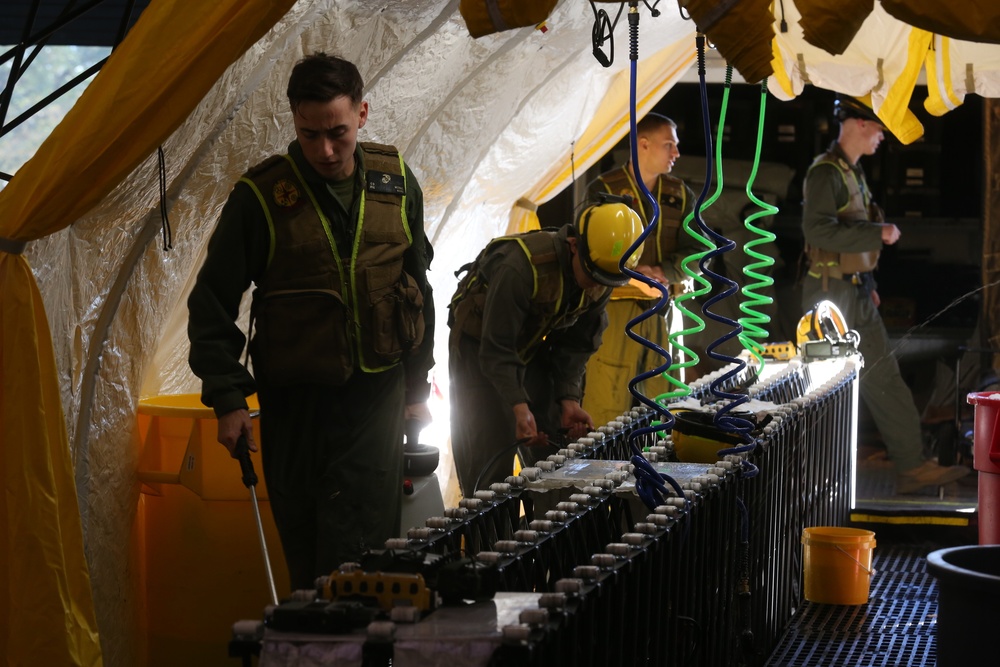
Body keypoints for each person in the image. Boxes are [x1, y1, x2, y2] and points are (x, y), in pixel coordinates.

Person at [187, 53, 435, 590]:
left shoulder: (396, 183)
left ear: (363, 113)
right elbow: (211, 304)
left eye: (338, 132)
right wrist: (229, 398)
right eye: (309, 134)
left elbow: (418, 287)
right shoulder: (261, 199)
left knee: (362, 548)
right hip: (294, 405)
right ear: (294, 122)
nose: (325, 149)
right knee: (307, 546)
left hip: (376, 397)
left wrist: (417, 385)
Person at [800, 94, 969, 495]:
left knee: (885, 380)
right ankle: (811, 477)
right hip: (829, 298)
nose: (881, 137)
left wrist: (871, 286)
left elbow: (849, 241)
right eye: (878, 128)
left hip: (855, 292)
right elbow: (817, 232)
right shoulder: (826, 174)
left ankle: (911, 466)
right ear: (859, 123)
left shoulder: (851, 173)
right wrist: (879, 233)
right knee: (825, 390)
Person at [447, 202, 643, 496]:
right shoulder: (520, 267)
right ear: (574, 245)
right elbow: (497, 348)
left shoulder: (603, 273)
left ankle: (541, 532)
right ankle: (490, 538)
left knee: (555, 453)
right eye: (592, 275)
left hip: (534, 347)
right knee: (489, 466)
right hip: (479, 350)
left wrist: (568, 397)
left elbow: (577, 345)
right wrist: (517, 404)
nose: (596, 286)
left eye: (606, 281)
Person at [582, 113, 706, 426]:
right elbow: (585, 253)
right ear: (644, 145)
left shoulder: (679, 195)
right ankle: (608, 472)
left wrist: (665, 270)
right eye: (669, 145)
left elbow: (701, 253)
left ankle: (655, 473)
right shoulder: (604, 190)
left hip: (665, 313)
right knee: (608, 406)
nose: (676, 153)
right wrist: (634, 277)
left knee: (661, 406)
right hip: (615, 315)